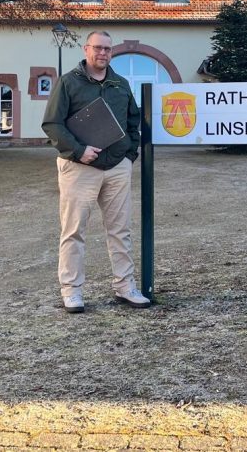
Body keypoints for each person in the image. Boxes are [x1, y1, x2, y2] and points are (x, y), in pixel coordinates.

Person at [42, 30, 151, 313]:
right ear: (86, 49)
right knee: (73, 231)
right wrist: (79, 151)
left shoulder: (120, 84)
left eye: (107, 49)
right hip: (79, 168)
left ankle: (125, 287)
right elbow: (53, 124)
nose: (103, 53)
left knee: (120, 230)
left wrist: (128, 155)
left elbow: (132, 121)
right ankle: (72, 291)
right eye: (98, 48)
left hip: (116, 168)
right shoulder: (68, 82)